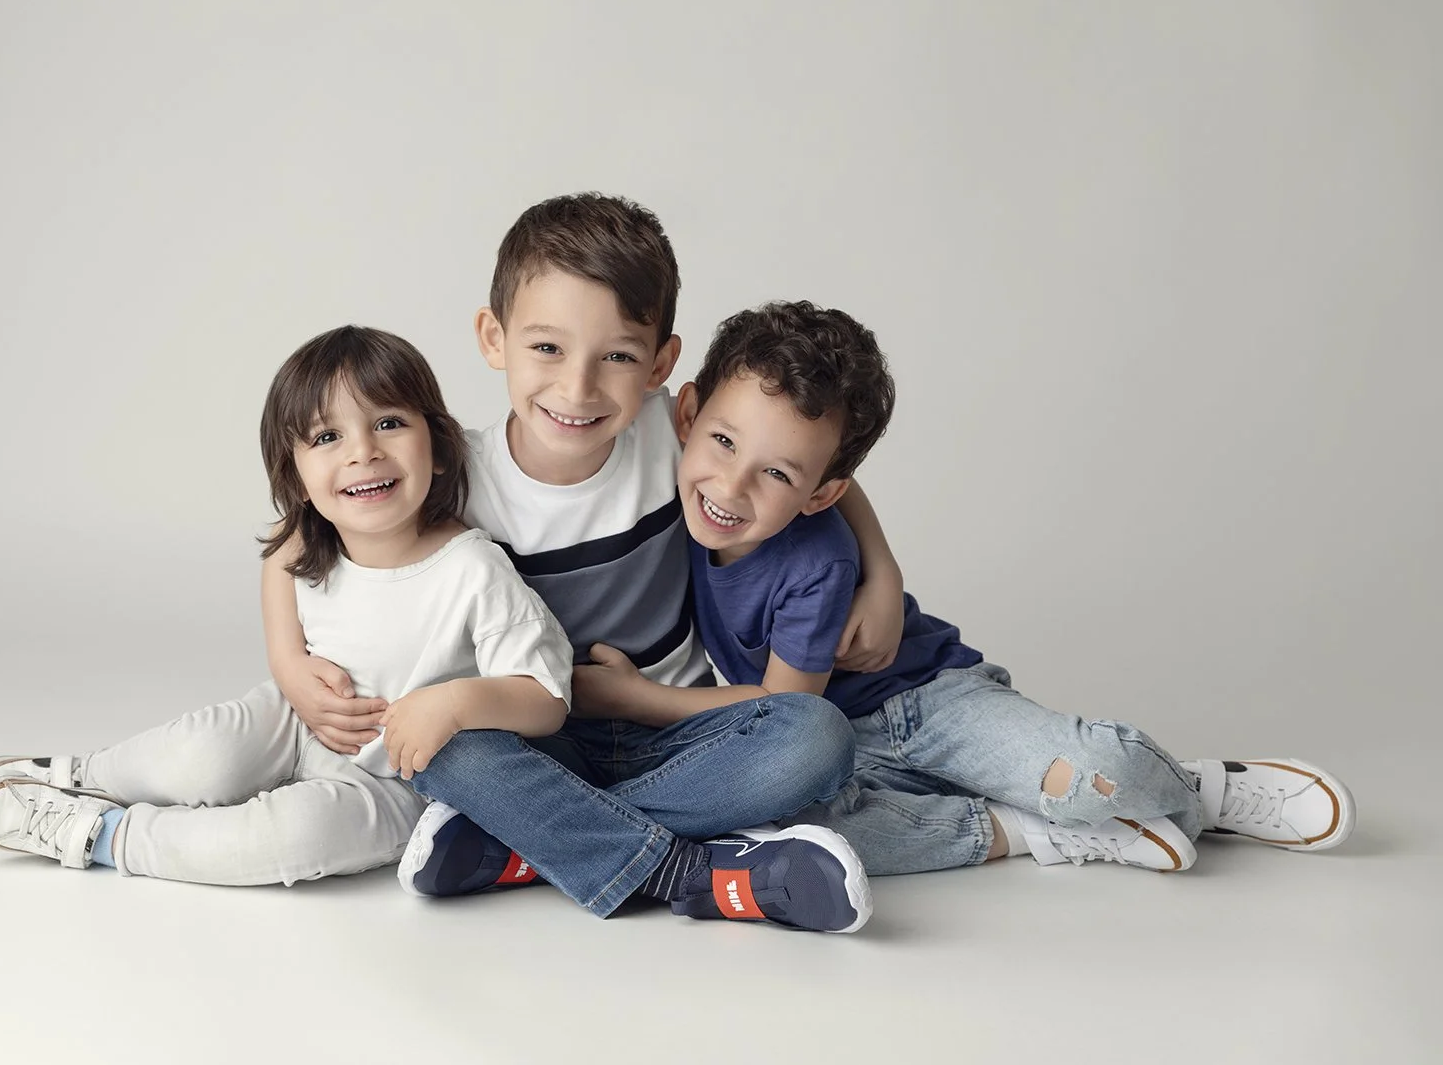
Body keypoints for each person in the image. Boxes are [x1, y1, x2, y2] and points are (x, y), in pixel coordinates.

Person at [265, 195, 904, 932]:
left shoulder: (673, 431)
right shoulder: (456, 473)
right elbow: (301, 529)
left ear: (661, 365)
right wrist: (287, 660)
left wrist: (881, 571)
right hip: (541, 739)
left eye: (618, 357)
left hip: (677, 729)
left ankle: (532, 841)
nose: (577, 389)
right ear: (494, 338)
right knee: (447, 745)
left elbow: (802, 461)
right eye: (547, 348)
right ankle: (687, 871)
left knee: (817, 735)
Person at [575, 300, 1356, 876]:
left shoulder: (815, 559)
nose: (731, 485)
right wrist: (888, 567)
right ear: (688, 414)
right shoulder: (674, 467)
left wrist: (639, 699)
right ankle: (1029, 831)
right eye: (723, 441)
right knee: (776, 831)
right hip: (838, 749)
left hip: (926, 705)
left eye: (776, 474)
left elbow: (784, 706)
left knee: (1090, 775)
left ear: (818, 492)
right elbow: (794, 456)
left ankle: (1196, 791)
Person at [0, 325, 571, 886]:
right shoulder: (315, 535)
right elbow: (283, 550)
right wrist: (287, 662)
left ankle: (101, 835)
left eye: (388, 423)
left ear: (437, 449)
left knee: (293, 837)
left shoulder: (473, 569)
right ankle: (78, 778)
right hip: (295, 717)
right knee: (202, 753)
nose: (362, 452)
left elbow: (547, 698)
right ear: (298, 479)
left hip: (398, 778)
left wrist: (455, 703)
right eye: (327, 437)